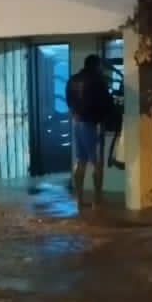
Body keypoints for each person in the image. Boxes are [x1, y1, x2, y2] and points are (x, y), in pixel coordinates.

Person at [65, 54, 113, 207]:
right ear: (96, 65)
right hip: (93, 124)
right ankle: (97, 199)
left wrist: (76, 113)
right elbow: (106, 102)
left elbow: (68, 101)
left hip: (77, 122)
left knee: (80, 160)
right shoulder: (97, 80)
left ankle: (79, 198)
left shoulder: (72, 80)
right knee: (96, 162)